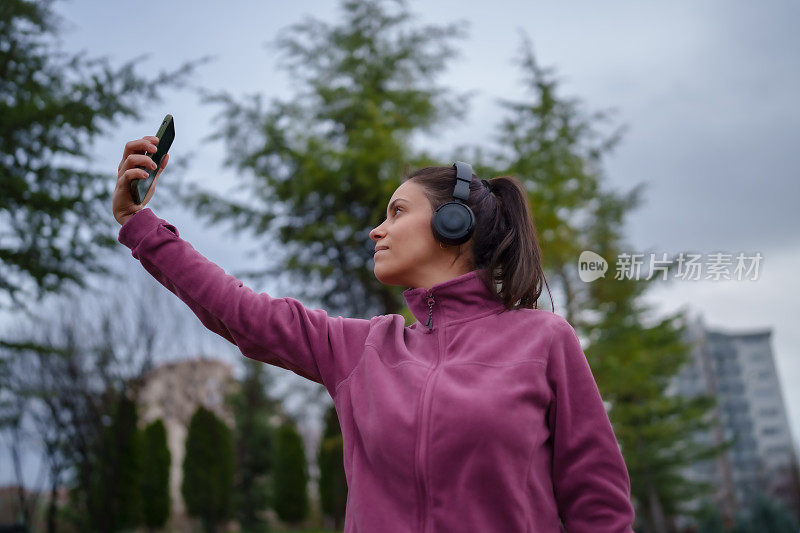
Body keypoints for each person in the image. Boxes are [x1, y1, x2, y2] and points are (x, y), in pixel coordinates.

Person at [113, 136, 636, 532]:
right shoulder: (360, 349)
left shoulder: (544, 340)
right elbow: (238, 311)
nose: (376, 230)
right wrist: (140, 224)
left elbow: (599, 503)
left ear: (454, 224)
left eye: (397, 212)